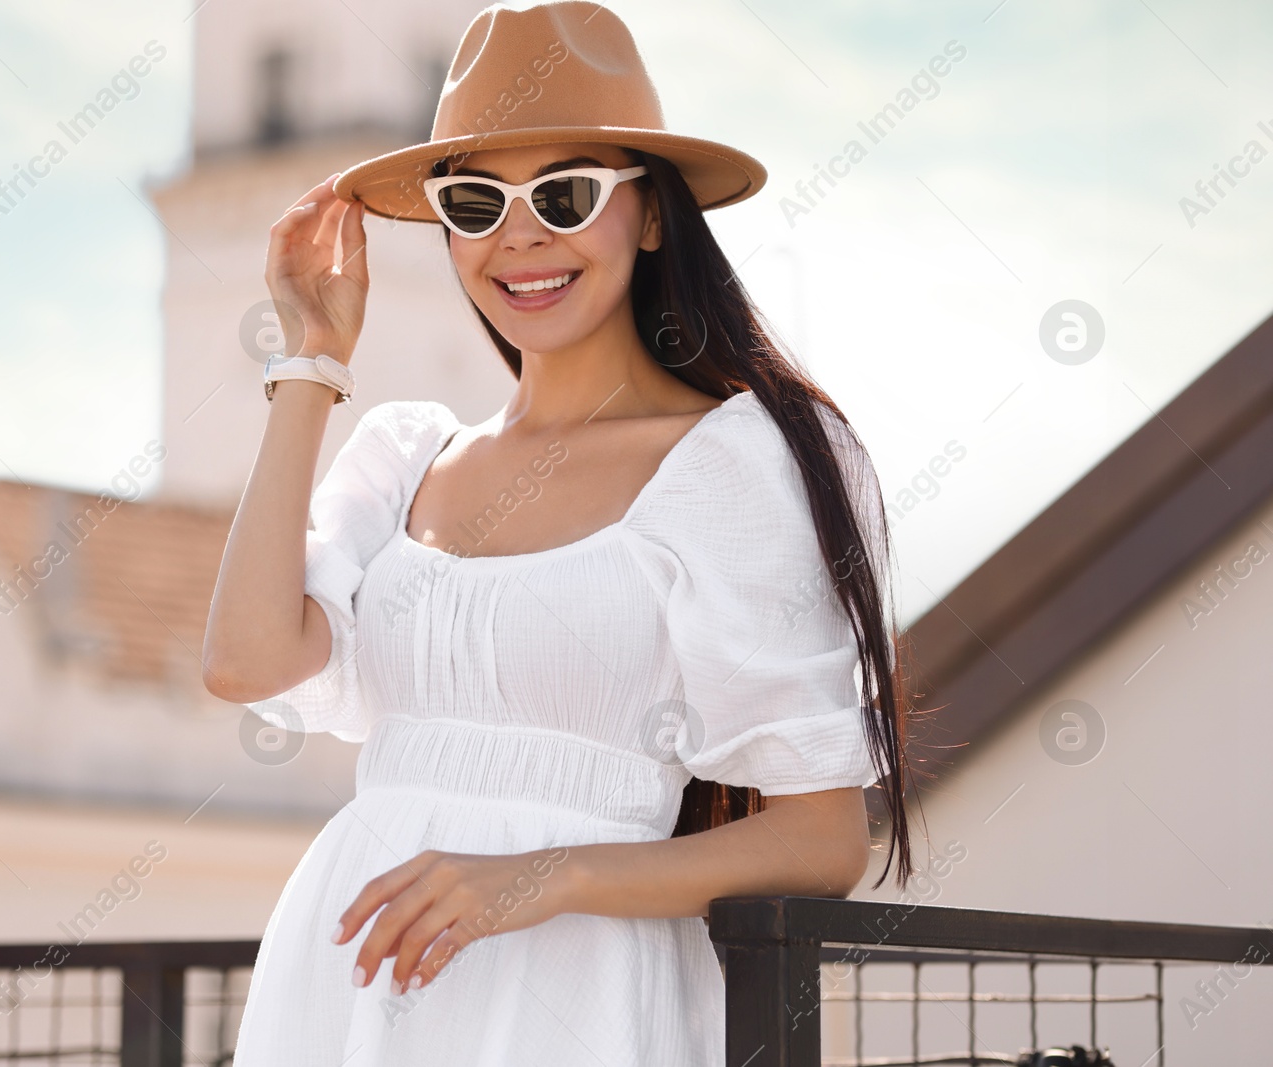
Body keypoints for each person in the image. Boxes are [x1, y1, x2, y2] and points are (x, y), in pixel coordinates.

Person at [203, 2, 921, 1063]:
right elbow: (243, 659)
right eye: (475, 199)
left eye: (565, 193)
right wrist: (310, 361)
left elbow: (822, 838)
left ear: (652, 215)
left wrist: (545, 876)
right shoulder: (406, 459)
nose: (518, 234)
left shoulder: (733, 462)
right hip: (349, 984)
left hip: (577, 989)